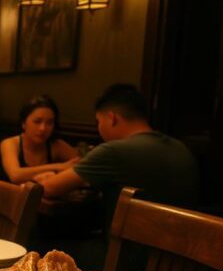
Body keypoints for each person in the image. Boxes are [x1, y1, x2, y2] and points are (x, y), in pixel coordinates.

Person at [40, 83, 200, 221]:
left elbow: (47, 189)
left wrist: (44, 178)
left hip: (125, 245)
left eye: (98, 121)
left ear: (112, 118)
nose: (99, 128)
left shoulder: (113, 150)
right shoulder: (180, 148)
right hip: (180, 245)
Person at [0, 95, 80, 184]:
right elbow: (15, 175)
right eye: (37, 121)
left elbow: (81, 165)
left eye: (49, 123)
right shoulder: (10, 143)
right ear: (23, 123)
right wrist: (59, 167)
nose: (43, 128)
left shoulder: (56, 145)